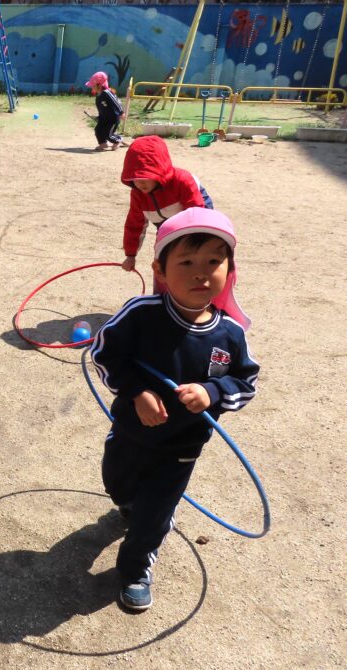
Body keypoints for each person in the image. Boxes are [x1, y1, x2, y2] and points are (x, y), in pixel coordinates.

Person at [89, 207, 259, 611]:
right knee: (117, 485)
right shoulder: (141, 314)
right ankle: (130, 503)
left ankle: (135, 568)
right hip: (130, 433)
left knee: (154, 513)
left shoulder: (230, 334)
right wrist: (136, 391)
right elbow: (105, 353)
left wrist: (212, 392)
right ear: (160, 270)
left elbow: (245, 382)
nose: (202, 274)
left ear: (230, 269)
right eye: (186, 263)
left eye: (214, 262)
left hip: (182, 447)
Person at [119, 135, 214, 274]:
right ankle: (164, 283)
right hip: (164, 223)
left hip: (196, 215)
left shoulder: (182, 180)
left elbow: (196, 213)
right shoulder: (138, 193)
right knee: (163, 256)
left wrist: (194, 243)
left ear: (158, 171)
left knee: (196, 253)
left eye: (145, 177)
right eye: (134, 178)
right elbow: (134, 225)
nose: (140, 183)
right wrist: (130, 255)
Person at [86, 71, 124, 151]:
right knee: (98, 130)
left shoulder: (107, 93)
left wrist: (121, 112)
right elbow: (102, 108)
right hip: (103, 118)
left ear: (99, 85)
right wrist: (99, 117)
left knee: (107, 134)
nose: (91, 87)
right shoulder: (99, 95)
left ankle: (117, 140)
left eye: (93, 86)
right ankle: (103, 143)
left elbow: (117, 102)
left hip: (112, 119)